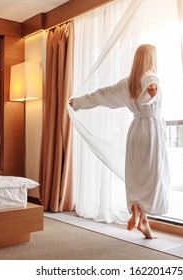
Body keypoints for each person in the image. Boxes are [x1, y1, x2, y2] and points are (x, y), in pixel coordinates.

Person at [69, 44, 169, 239]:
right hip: (151, 129)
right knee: (154, 175)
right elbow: (148, 93)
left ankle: (140, 216)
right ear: (151, 58)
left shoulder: (128, 83)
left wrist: (79, 102)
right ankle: (141, 215)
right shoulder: (151, 77)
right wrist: (150, 91)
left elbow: (101, 95)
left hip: (135, 130)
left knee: (138, 175)